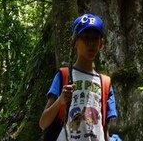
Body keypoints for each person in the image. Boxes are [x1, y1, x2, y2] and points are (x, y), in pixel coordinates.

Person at [39, 13, 118, 141]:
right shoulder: (64, 75)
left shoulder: (105, 83)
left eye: (95, 38)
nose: (91, 43)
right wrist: (60, 101)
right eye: (86, 38)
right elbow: (43, 123)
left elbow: (104, 128)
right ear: (74, 41)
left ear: (101, 43)